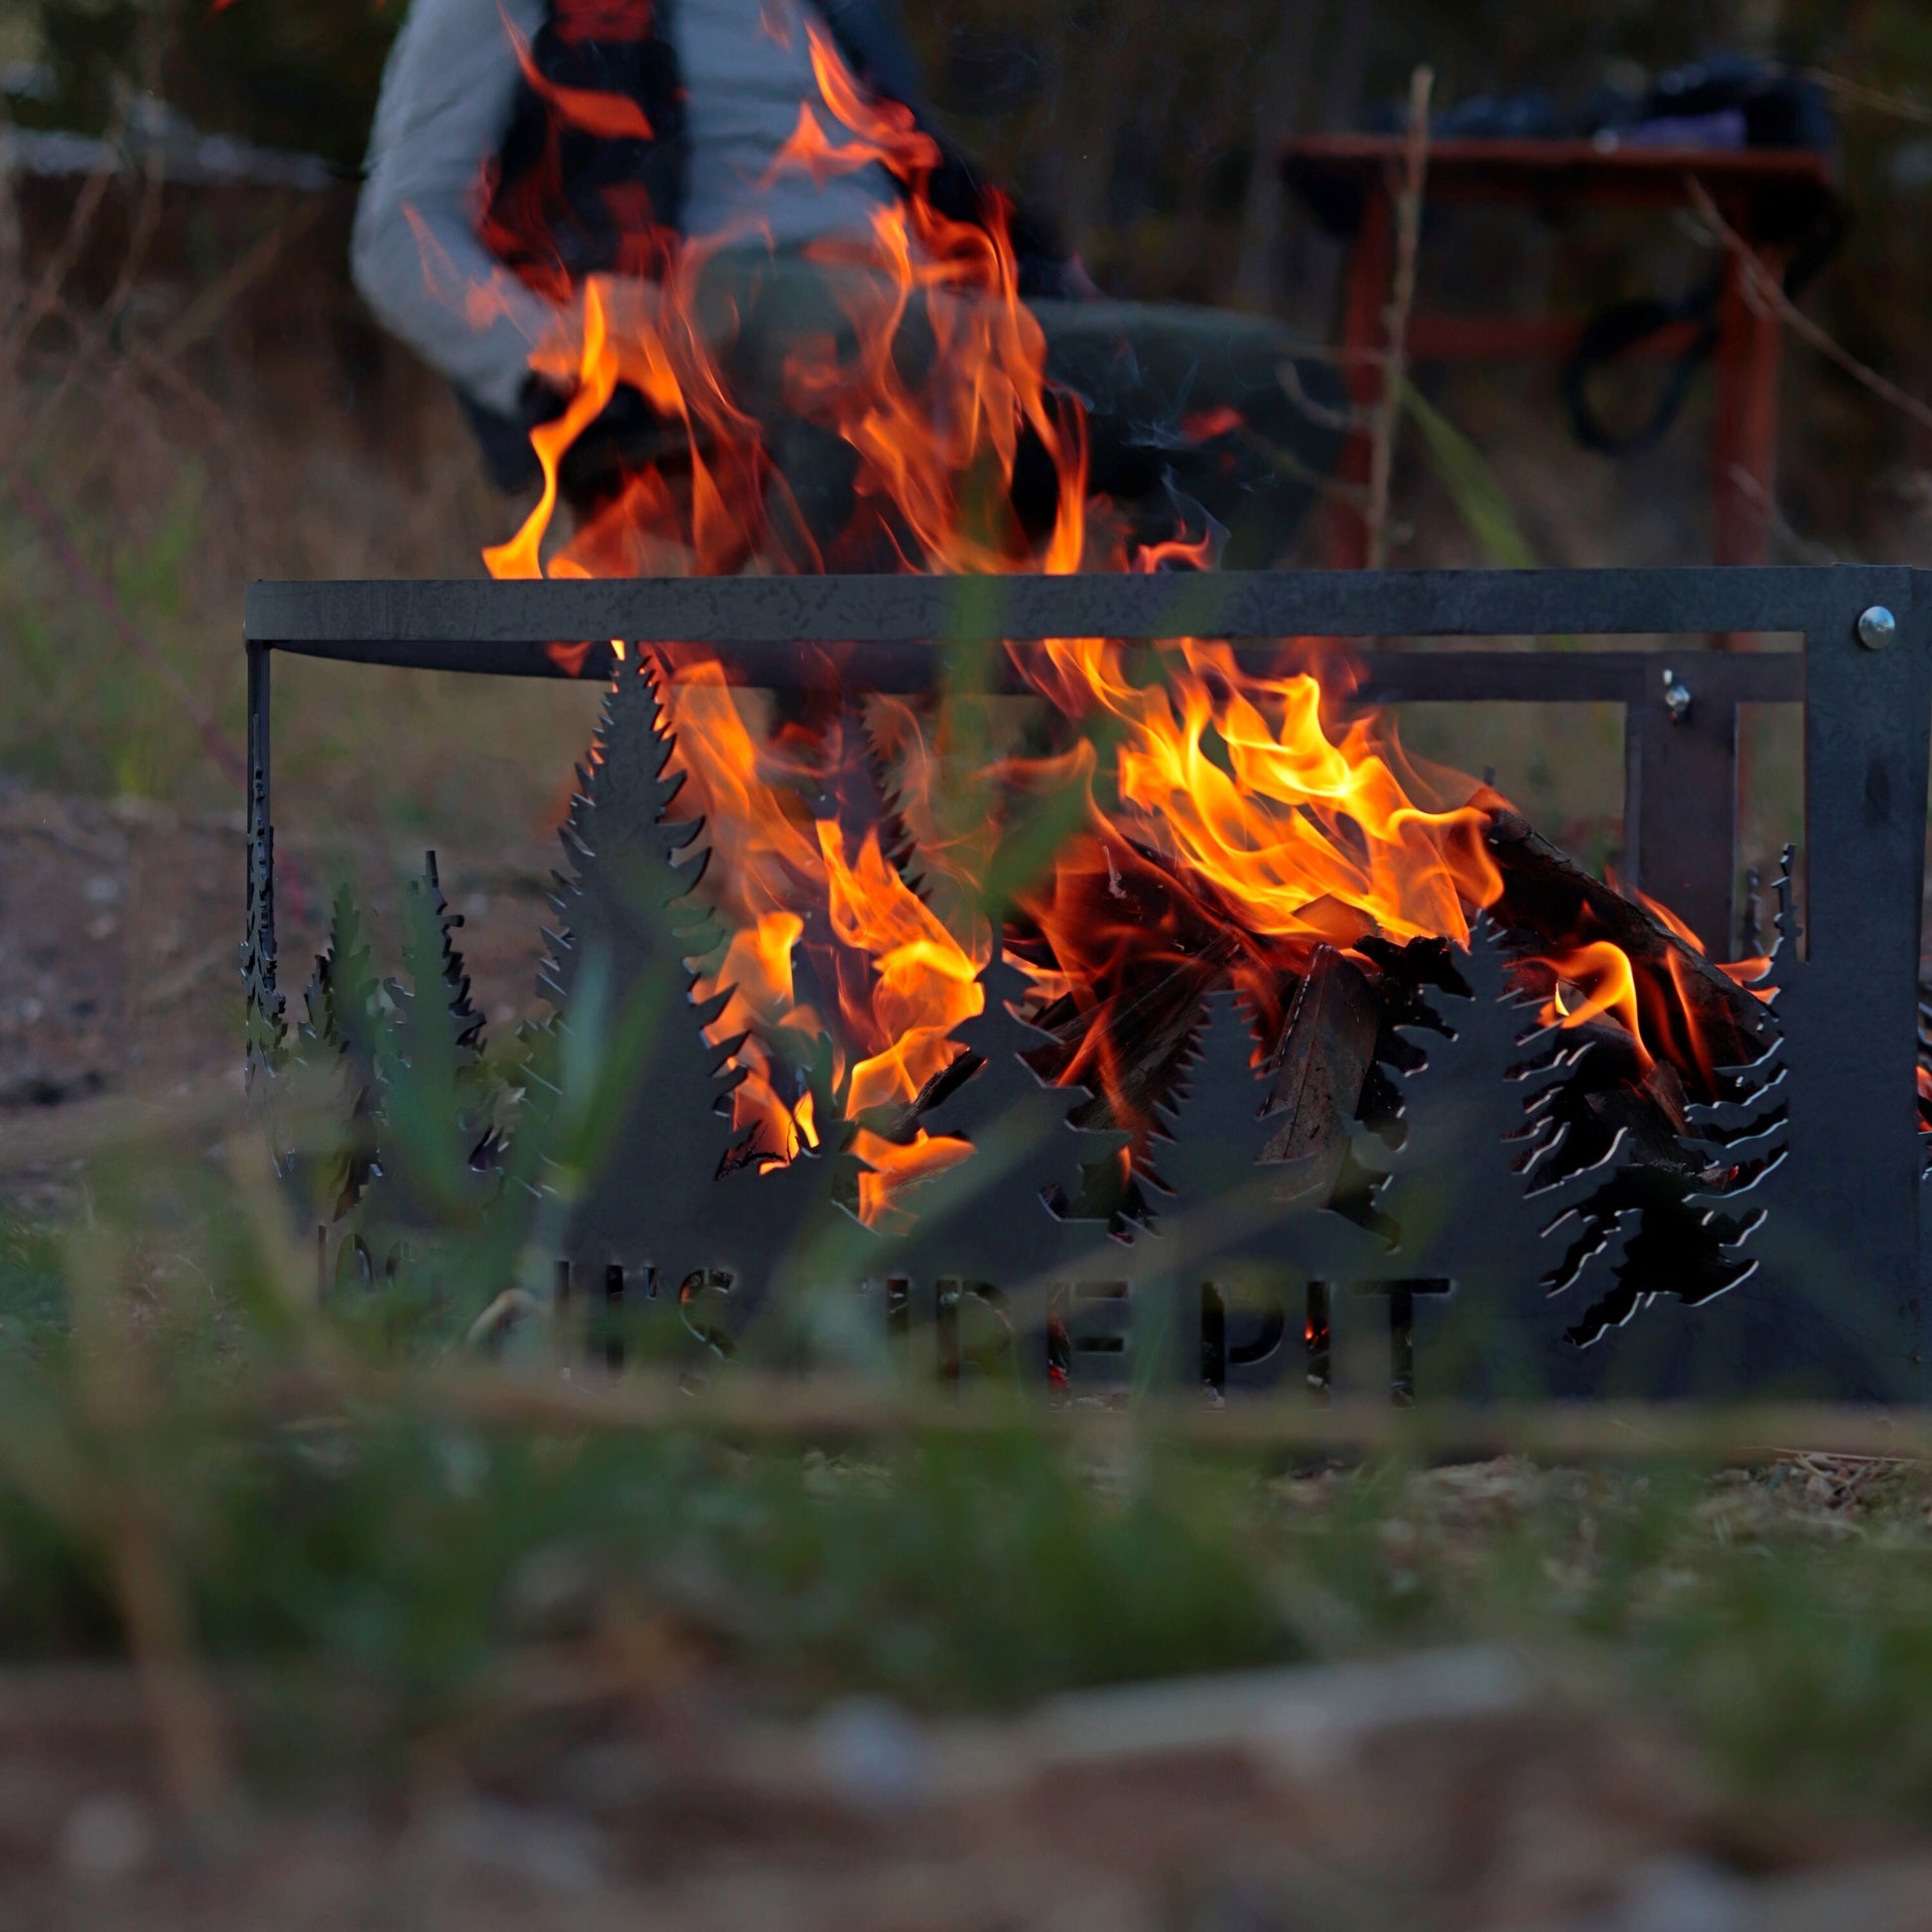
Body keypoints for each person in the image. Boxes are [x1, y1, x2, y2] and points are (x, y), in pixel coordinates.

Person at [352, 0, 1343, 569]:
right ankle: (819, 794)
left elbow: (930, 195)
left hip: (921, 317)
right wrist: (561, 344)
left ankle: (1082, 816)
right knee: (853, 335)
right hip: (710, 320)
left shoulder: (831, 8)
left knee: (1278, 383)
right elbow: (398, 235)